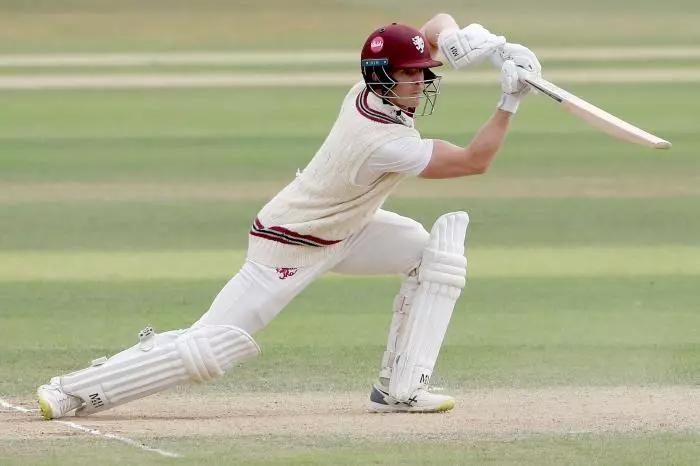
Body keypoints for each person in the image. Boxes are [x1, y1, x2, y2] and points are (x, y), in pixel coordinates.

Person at [36, 13, 542, 418]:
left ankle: (401, 389)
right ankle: (73, 391)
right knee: (210, 348)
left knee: (435, 254)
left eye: (422, 73)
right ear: (382, 78)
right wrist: (509, 97)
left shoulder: (367, 90)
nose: (419, 82)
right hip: (290, 244)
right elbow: (475, 161)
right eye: (409, 75)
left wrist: (468, 41)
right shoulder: (386, 144)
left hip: (348, 229)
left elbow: (432, 24)